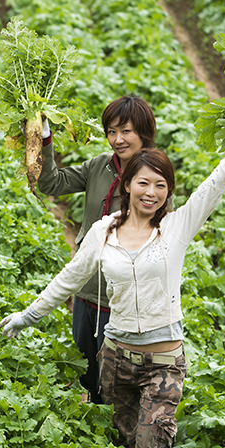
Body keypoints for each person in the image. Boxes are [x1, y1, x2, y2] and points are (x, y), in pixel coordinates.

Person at [0, 113, 225, 448]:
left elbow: (215, 184)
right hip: (116, 356)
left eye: (161, 186)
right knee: (120, 445)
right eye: (144, 184)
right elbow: (69, 278)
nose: (152, 193)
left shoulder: (175, 230)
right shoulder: (103, 232)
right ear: (128, 186)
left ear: (168, 192)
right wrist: (30, 314)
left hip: (164, 359)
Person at [37, 95, 157, 404]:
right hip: (87, 289)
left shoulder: (153, 180)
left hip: (122, 300)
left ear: (144, 132)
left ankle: (116, 437)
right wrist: (43, 137)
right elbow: (50, 184)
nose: (117, 140)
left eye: (126, 131)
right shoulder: (99, 167)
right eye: (111, 132)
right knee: (88, 373)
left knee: (116, 381)